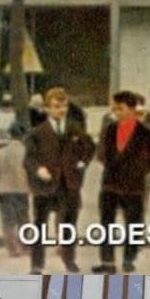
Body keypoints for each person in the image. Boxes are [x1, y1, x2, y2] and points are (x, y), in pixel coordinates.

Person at [24, 88, 95, 274]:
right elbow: (29, 158)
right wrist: (39, 169)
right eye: (56, 106)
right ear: (47, 108)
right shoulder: (37, 133)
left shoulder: (75, 128)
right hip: (45, 186)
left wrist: (82, 163)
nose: (61, 110)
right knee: (40, 225)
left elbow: (89, 148)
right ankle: (37, 265)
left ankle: (69, 260)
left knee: (69, 225)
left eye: (64, 106)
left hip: (69, 185)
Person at [93, 90, 150, 273]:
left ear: (131, 109)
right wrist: (108, 162)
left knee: (133, 224)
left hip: (133, 186)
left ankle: (129, 259)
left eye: (120, 108)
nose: (116, 112)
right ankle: (107, 262)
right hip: (110, 183)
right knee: (106, 223)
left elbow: (149, 159)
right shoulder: (109, 129)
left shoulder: (146, 133)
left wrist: (134, 173)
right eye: (115, 109)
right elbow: (101, 153)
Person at [0, 119, 30, 258]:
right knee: (23, 218)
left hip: (4, 188)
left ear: (10, 134)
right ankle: (26, 246)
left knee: (8, 220)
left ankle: (12, 249)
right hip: (22, 188)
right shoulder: (27, 151)